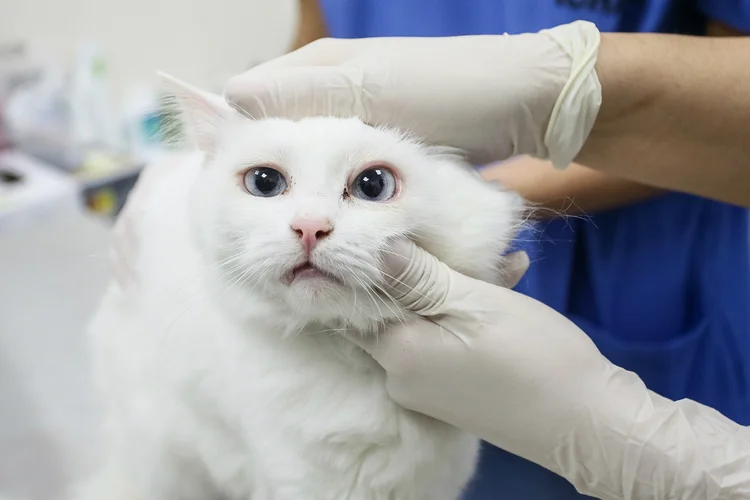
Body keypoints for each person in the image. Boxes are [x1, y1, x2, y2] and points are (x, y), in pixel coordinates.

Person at [111, 21, 750, 499]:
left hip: (651, 280)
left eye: (368, 188)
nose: (310, 224)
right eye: (266, 185)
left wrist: (508, 166)